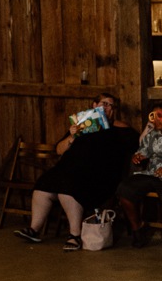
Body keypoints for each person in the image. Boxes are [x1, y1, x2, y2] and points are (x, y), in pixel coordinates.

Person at [15, 93, 138, 251]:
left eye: (111, 106)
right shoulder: (82, 125)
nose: (107, 108)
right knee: (42, 186)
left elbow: (137, 143)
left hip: (98, 176)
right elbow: (59, 150)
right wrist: (72, 136)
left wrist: (120, 126)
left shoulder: (119, 128)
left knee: (67, 188)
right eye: (104, 104)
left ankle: (75, 236)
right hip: (69, 170)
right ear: (94, 105)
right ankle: (34, 230)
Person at [117, 101, 162, 247]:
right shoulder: (152, 135)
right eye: (153, 116)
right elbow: (143, 151)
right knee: (124, 190)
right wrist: (138, 156)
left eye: (160, 116)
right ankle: (138, 228)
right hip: (151, 173)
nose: (155, 119)